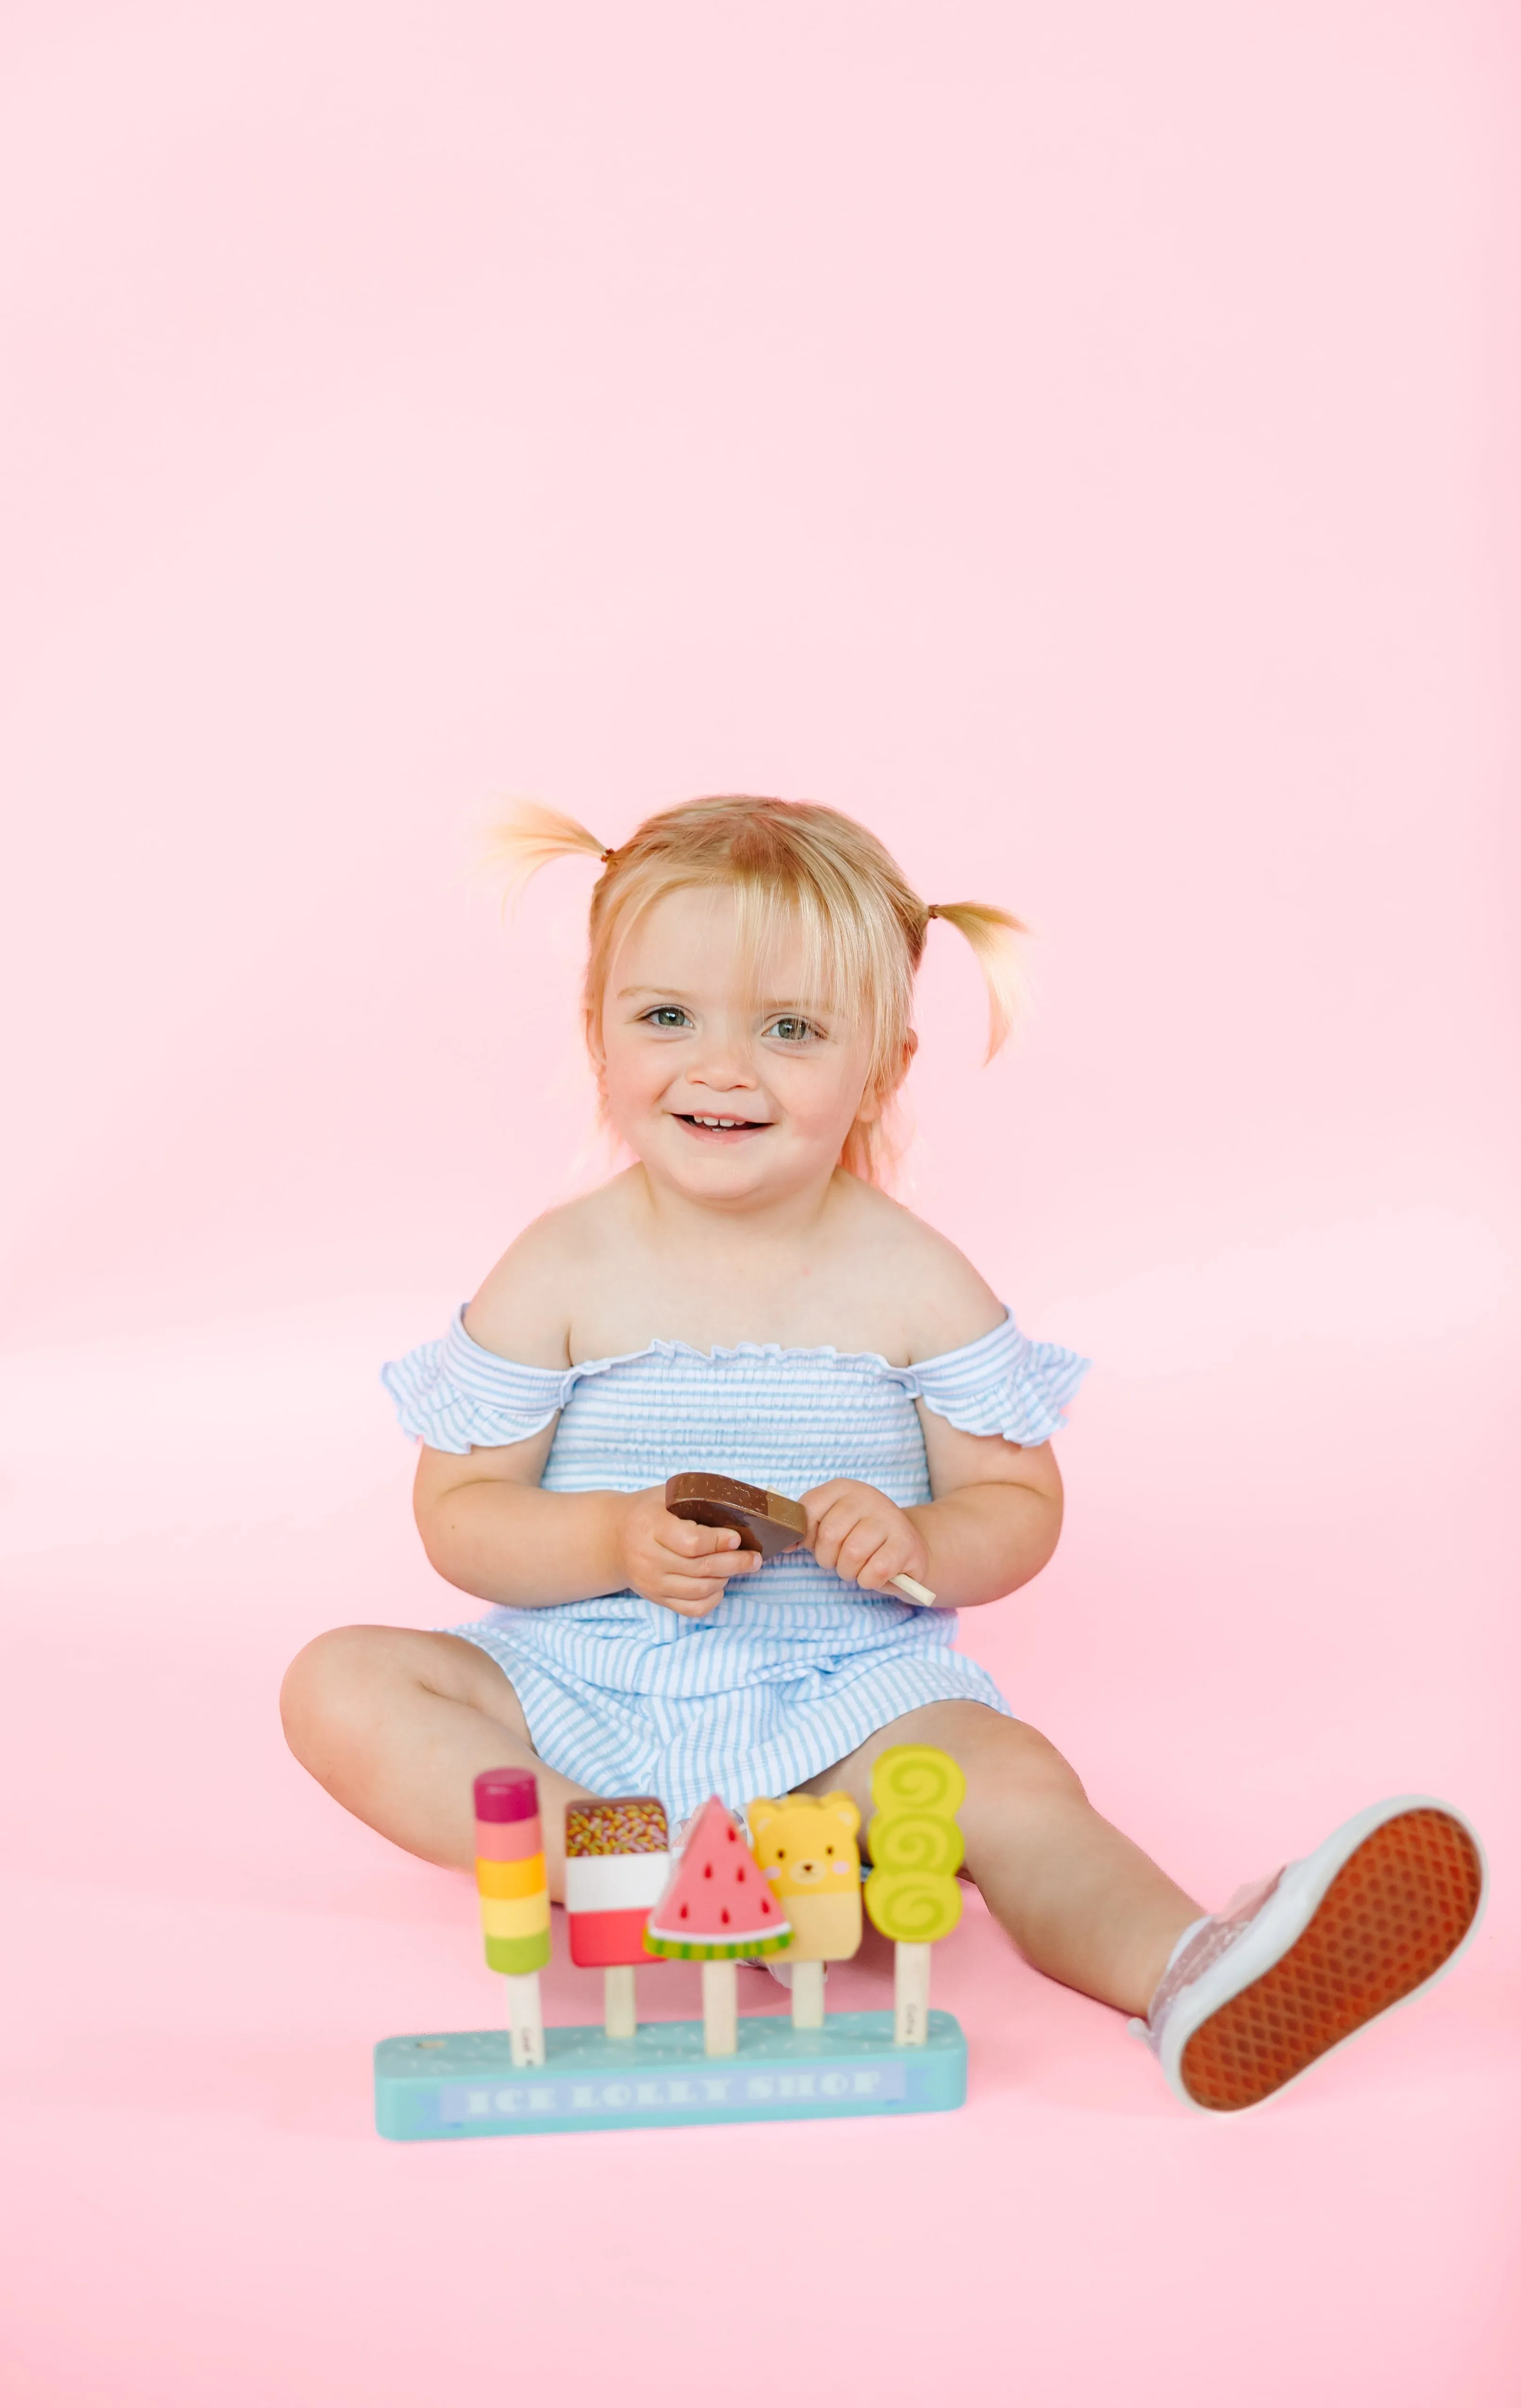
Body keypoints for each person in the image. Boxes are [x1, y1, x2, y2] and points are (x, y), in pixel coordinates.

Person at [280, 794, 1483, 2112]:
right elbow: (460, 1509)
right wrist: (603, 1539)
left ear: (883, 1065)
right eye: (667, 1016)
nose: (721, 1069)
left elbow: (1017, 1501)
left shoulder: (912, 1283)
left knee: (1012, 1783)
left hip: (838, 1706)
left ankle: (1189, 1969)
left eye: (790, 1030)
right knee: (340, 1683)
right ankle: (633, 1859)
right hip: (584, 1697)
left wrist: (921, 1541)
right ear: (596, 1030)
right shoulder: (560, 1267)